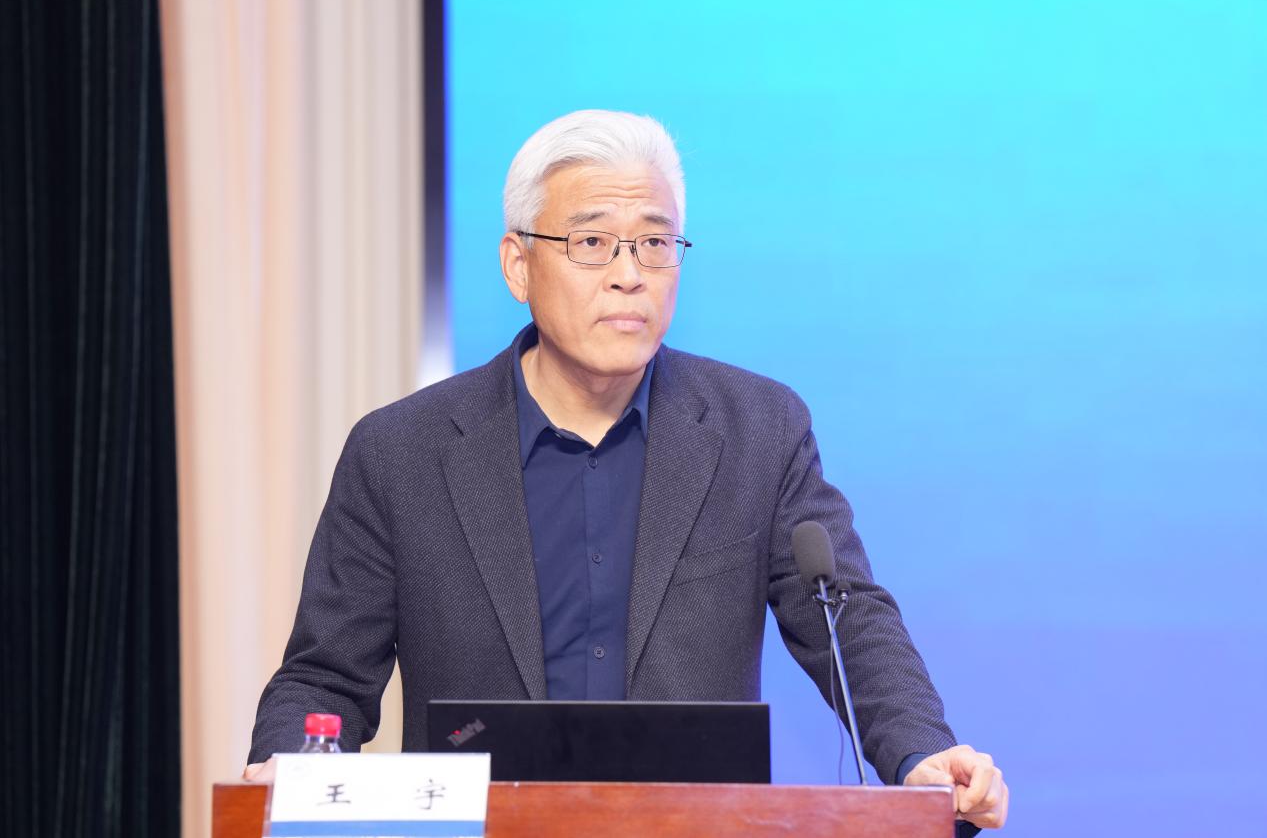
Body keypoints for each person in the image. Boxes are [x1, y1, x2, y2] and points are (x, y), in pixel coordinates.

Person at [245, 110, 1008, 831]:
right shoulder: (401, 451)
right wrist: (288, 766)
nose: (628, 274)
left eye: (653, 242)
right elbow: (326, 674)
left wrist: (919, 750)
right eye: (591, 242)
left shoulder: (757, 429)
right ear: (518, 264)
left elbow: (844, 615)